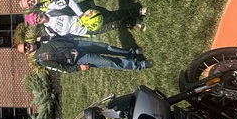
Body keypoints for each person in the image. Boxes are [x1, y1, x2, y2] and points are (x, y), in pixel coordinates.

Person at [25, 0, 147, 37]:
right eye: (37, 20)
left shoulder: (52, 8)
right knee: (114, 25)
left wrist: (80, 15)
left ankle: (138, 11)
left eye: (37, 16)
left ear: (38, 12)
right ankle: (133, 21)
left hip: (88, 16)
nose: (39, 18)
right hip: (88, 30)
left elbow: (69, 1)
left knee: (112, 16)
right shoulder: (50, 31)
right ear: (37, 23)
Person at [17, 39, 152, 72]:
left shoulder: (41, 40)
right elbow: (62, 68)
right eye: (26, 49)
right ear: (27, 53)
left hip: (79, 44)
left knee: (107, 48)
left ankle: (132, 53)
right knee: (109, 61)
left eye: (26, 44)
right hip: (79, 59)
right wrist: (78, 68)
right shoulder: (42, 59)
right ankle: (139, 65)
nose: (28, 46)